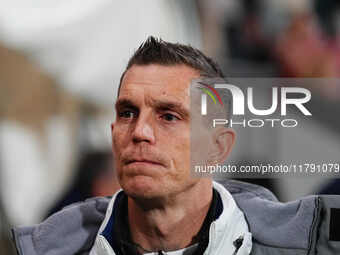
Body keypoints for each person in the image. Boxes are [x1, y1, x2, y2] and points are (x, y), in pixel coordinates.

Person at [11, 37, 340, 255]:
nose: (139, 131)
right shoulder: (44, 248)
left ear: (217, 149)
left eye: (168, 116)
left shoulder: (307, 243)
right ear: (113, 133)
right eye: (127, 112)